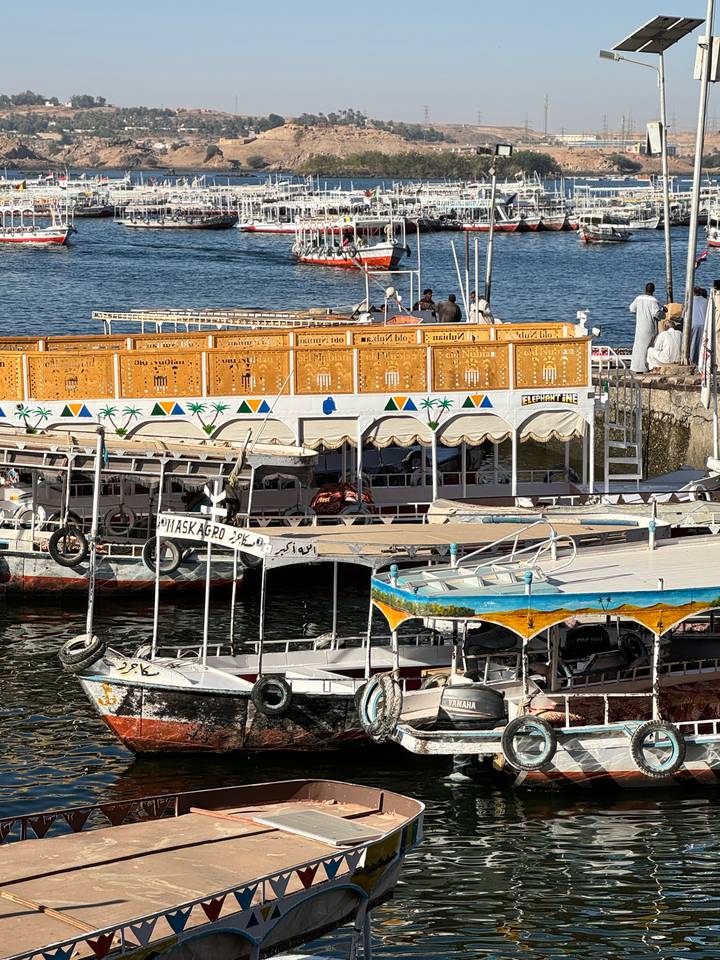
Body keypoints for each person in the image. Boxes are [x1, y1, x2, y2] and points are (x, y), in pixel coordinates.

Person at [629, 282, 664, 373]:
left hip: (639, 327)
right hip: (650, 327)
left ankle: (636, 367)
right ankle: (646, 366)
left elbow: (631, 308)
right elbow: (657, 314)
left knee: (638, 347)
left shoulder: (638, 298)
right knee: (649, 347)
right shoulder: (654, 301)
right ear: (653, 290)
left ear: (645, 289)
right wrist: (663, 311)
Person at [690, 286, 709, 366]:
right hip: (704, 324)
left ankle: (692, 360)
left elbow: (684, 315)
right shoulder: (706, 301)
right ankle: (703, 362)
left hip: (694, 324)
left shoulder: (690, 301)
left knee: (693, 344)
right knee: (703, 344)